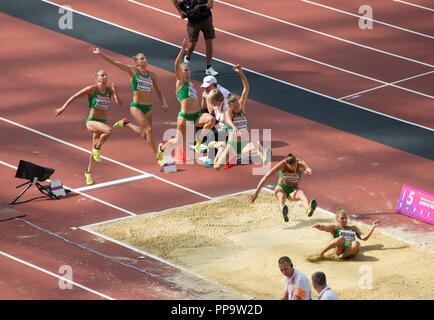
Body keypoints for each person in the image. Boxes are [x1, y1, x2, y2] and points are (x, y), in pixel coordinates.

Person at [91, 47, 169, 167]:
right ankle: (159, 158)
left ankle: (126, 124)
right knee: (149, 130)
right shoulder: (133, 71)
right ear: (138, 63)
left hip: (148, 107)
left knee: (144, 134)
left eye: (145, 58)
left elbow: (159, 90)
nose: (145, 60)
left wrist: (164, 102)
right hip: (136, 107)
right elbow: (116, 63)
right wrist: (101, 54)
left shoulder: (152, 75)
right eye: (142, 58)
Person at [54, 70, 122, 185]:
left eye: (106, 75)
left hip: (102, 122)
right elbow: (75, 96)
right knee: (108, 131)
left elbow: (119, 103)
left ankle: (88, 172)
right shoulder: (92, 89)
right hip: (92, 121)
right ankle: (97, 149)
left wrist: (115, 92)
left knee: (95, 149)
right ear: (97, 78)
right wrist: (63, 108)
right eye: (102, 75)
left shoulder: (109, 90)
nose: (105, 77)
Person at [158, 38, 216, 161]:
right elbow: (176, 65)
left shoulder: (191, 85)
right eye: (185, 70)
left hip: (196, 116)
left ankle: (199, 142)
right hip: (184, 117)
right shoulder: (180, 82)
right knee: (178, 142)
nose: (187, 72)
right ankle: (162, 149)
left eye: (188, 70)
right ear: (180, 73)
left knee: (211, 120)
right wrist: (182, 50)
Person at [207, 64, 271, 170]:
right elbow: (227, 120)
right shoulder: (228, 111)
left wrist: (240, 73)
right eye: (235, 106)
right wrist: (234, 127)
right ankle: (220, 146)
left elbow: (246, 88)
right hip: (232, 145)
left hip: (244, 144)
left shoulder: (241, 107)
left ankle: (263, 156)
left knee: (255, 143)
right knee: (217, 167)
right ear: (231, 106)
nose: (238, 108)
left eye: (238, 105)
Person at [250, 153, 316, 222]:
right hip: (281, 188)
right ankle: (284, 212)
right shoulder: (281, 165)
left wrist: (309, 170)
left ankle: (308, 209)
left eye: (295, 166)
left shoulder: (300, 163)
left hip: (293, 189)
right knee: (281, 197)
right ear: (287, 165)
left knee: (302, 193)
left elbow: (308, 168)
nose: (295, 168)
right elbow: (266, 177)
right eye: (292, 167)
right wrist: (256, 192)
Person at [172, 0, 218, 76]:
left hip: (206, 20)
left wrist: (200, 7)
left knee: (209, 42)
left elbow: (210, 5)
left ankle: (209, 67)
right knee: (193, 43)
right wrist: (180, 11)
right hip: (193, 23)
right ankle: (188, 56)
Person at [313, 208, 380, 259]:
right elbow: (325, 227)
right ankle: (321, 253)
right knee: (342, 238)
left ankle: (341, 257)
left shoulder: (353, 228)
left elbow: (364, 238)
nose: (345, 220)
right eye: (342, 218)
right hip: (339, 248)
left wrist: (372, 227)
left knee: (357, 243)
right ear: (337, 219)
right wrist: (319, 226)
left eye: (346, 218)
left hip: (350, 250)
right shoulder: (335, 227)